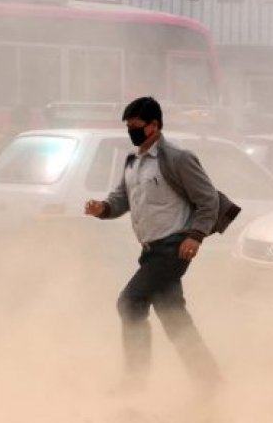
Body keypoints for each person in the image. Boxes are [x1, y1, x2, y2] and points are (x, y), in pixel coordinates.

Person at [84, 96, 221, 391]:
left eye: (135, 126)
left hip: (172, 247)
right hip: (150, 250)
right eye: (128, 127)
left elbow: (208, 199)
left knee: (130, 302)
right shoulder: (133, 162)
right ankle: (210, 382)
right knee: (174, 318)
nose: (131, 132)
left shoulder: (177, 159)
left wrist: (195, 235)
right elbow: (121, 199)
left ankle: (135, 381)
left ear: (154, 126)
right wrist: (103, 208)